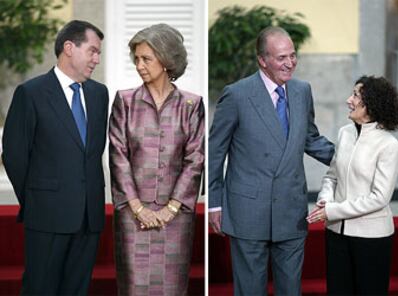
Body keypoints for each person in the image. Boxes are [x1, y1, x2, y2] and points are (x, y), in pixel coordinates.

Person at [208, 26, 335, 296]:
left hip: (291, 209)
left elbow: (310, 139)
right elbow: (215, 150)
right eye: (281, 58)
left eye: (293, 55)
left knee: (290, 290)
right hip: (247, 211)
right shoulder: (237, 94)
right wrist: (214, 203)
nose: (290, 63)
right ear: (262, 60)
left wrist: (351, 159)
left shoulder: (302, 90)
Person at [2, 20, 108, 295]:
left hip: (89, 217)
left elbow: (92, 154)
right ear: (69, 48)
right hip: (47, 215)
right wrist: (38, 198)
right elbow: (14, 155)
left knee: (77, 289)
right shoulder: (31, 93)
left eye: (99, 53)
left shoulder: (99, 94)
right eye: (93, 51)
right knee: (41, 289)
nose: (97, 59)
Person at [108, 23, 204, 296]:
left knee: (172, 289)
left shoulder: (191, 104)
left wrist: (170, 209)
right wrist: (139, 209)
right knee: (134, 289)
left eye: (146, 59)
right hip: (131, 214)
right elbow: (118, 157)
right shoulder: (125, 102)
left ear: (166, 60)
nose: (139, 65)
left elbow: (195, 159)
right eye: (136, 59)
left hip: (176, 217)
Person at [307, 75, 398, 295]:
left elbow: (380, 197)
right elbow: (332, 176)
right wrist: (325, 199)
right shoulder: (345, 133)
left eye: (355, 95)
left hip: (371, 238)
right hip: (336, 234)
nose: (348, 100)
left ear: (371, 103)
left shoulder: (389, 145)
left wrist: (331, 211)